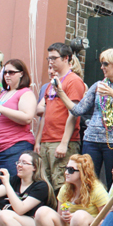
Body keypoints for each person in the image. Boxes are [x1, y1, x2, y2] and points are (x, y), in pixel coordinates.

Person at [55, 46, 113, 188]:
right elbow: (78, 110)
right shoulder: (98, 86)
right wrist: (61, 93)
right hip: (91, 140)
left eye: (105, 64)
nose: (102, 67)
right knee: (87, 182)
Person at [35, 43, 86, 191]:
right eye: (48, 58)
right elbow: (45, 114)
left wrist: (64, 143)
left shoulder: (73, 80)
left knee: (62, 185)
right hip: (47, 141)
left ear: (66, 58)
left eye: (54, 58)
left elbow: (74, 113)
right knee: (46, 185)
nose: (50, 62)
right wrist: (39, 141)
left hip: (62, 141)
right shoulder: (52, 82)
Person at [0, 59, 37, 175]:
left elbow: (27, 118)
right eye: (5, 72)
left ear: (21, 74)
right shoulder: (3, 93)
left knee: (11, 181)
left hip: (14, 146)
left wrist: (1, 108)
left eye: (11, 72)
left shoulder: (25, 93)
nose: (7, 75)